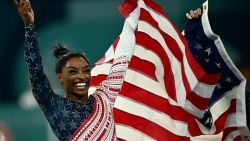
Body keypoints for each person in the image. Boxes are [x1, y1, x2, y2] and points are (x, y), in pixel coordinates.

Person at [13, 0, 205, 140]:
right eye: (73, 72)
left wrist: (133, 16)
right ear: (60, 78)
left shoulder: (104, 97)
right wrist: (29, 25)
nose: (81, 76)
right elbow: (36, 70)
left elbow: (123, 53)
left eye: (85, 70)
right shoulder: (54, 106)